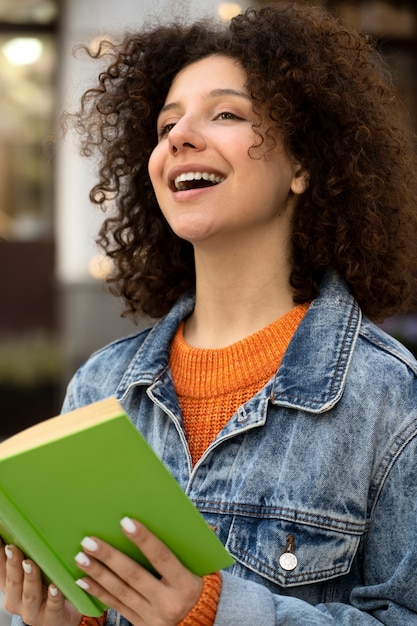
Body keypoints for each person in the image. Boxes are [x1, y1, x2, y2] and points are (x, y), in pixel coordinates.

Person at [2, 3, 417, 625]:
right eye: (168, 124)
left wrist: (211, 611)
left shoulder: (387, 396)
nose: (179, 136)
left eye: (226, 114)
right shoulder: (99, 385)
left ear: (303, 164)